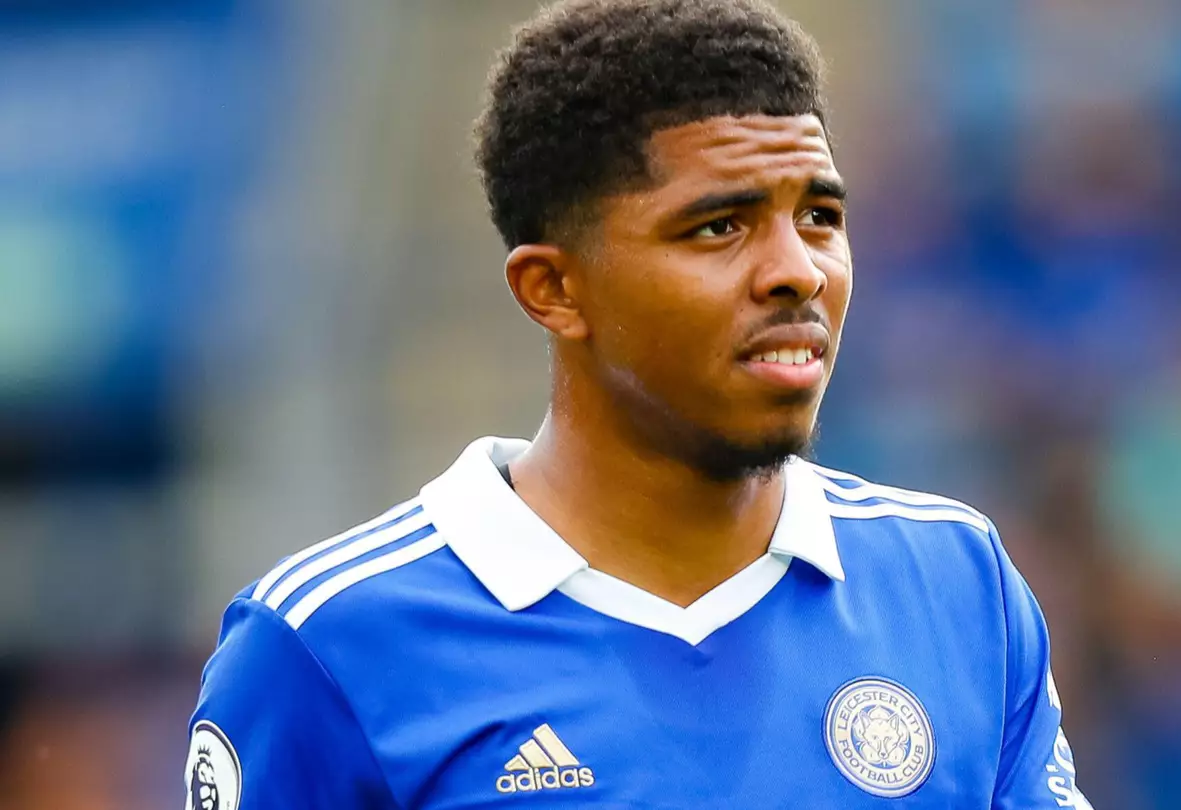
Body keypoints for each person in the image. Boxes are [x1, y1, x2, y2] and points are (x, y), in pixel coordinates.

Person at [184, 0, 1090, 806]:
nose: (797, 270)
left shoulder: (955, 582)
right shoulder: (326, 644)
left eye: (818, 216)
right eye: (719, 227)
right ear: (554, 290)